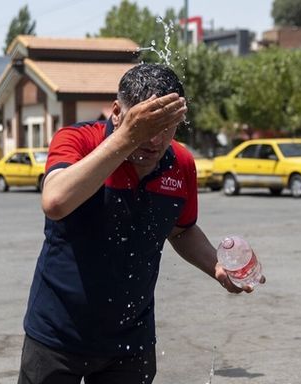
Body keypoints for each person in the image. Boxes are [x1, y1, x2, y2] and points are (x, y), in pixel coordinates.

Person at [18, 63, 265, 384]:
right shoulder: (78, 140)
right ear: (118, 111)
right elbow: (55, 202)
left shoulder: (181, 164)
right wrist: (126, 138)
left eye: (168, 125)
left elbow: (182, 230)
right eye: (146, 125)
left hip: (131, 339)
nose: (155, 139)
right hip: (57, 333)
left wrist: (216, 267)